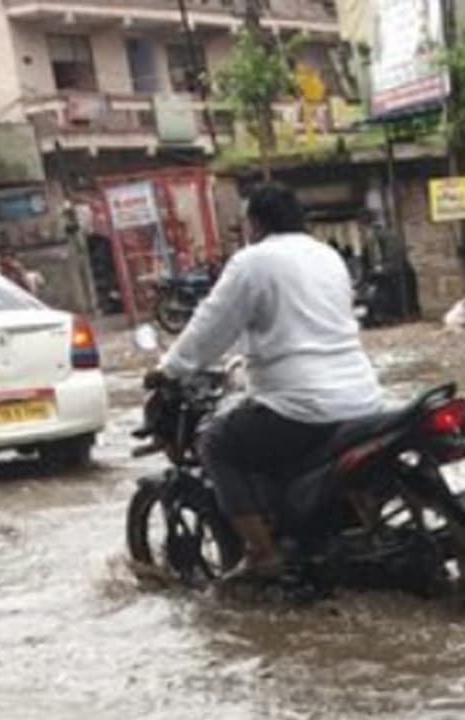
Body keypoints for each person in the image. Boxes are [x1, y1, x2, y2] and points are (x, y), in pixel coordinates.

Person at [155, 183, 385, 580]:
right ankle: (355, 528)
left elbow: (210, 327)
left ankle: (263, 553)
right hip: (363, 398)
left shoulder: (252, 262)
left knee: (216, 441)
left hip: (300, 406)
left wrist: (169, 369)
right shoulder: (328, 256)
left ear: (255, 223)